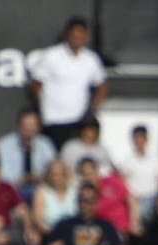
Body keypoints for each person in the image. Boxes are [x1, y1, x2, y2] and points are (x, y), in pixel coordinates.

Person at [28, 18, 107, 149]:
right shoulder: (51, 55)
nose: (78, 39)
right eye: (74, 35)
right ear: (67, 35)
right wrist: (43, 104)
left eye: (81, 35)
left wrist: (92, 108)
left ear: (86, 36)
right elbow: (36, 83)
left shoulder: (91, 59)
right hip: (54, 120)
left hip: (79, 121)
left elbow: (102, 85)